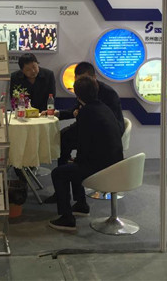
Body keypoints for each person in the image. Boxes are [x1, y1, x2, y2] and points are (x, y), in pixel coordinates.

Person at [49, 76, 124, 232]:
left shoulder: (86, 113)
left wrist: (76, 161)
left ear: (77, 96)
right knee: (74, 166)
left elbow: (83, 144)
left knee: (58, 173)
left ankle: (67, 218)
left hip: (102, 168)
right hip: (117, 165)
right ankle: (81, 205)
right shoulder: (104, 108)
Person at [43, 61, 125, 203]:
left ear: (93, 78)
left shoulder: (107, 94)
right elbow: (77, 110)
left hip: (105, 134)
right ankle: (68, 193)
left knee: (77, 157)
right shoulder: (87, 93)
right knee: (63, 139)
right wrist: (59, 114)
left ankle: (74, 193)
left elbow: (106, 122)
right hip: (91, 127)